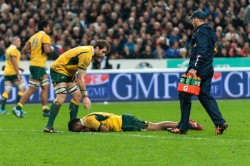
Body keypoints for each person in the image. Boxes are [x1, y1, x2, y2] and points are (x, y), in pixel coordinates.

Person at [169, 10, 228, 135]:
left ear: (196, 19)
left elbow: (201, 52)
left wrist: (194, 68)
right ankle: (219, 122)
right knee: (204, 96)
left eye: (192, 19)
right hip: (208, 68)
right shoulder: (210, 32)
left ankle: (183, 126)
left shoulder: (200, 32)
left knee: (184, 94)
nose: (191, 21)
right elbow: (213, 50)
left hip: (198, 69)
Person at [43, 40, 110, 133]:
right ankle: (49, 126)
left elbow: (72, 60)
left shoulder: (90, 54)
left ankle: (72, 126)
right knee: (61, 96)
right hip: (59, 69)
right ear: (97, 48)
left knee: (77, 95)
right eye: (103, 52)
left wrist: (73, 73)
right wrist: (85, 97)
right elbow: (81, 78)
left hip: (68, 72)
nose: (104, 55)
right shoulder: (87, 54)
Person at [12, 20, 53, 118]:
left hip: (37, 65)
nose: (49, 28)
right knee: (32, 88)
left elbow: (25, 49)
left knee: (45, 86)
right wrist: (53, 49)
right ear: (44, 27)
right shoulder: (45, 36)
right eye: (48, 27)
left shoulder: (33, 37)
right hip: (38, 65)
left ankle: (45, 109)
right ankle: (18, 108)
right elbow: (47, 50)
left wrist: (34, 53)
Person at [68, 112, 203, 132]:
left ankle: (186, 124)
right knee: (157, 126)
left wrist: (90, 132)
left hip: (125, 123)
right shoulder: (88, 117)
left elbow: (105, 130)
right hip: (125, 120)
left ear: (77, 125)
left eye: (77, 130)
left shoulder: (89, 121)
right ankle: (183, 123)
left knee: (156, 127)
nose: (79, 131)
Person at [0, 37, 25, 114]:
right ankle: (18, 108)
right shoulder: (14, 50)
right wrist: (18, 73)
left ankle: (2, 109)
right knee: (22, 88)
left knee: (7, 90)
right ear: (14, 41)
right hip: (13, 72)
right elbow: (14, 62)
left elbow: (10, 62)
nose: (20, 42)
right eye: (18, 41)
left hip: (7, 72)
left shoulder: (8, 49)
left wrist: (20, 68)